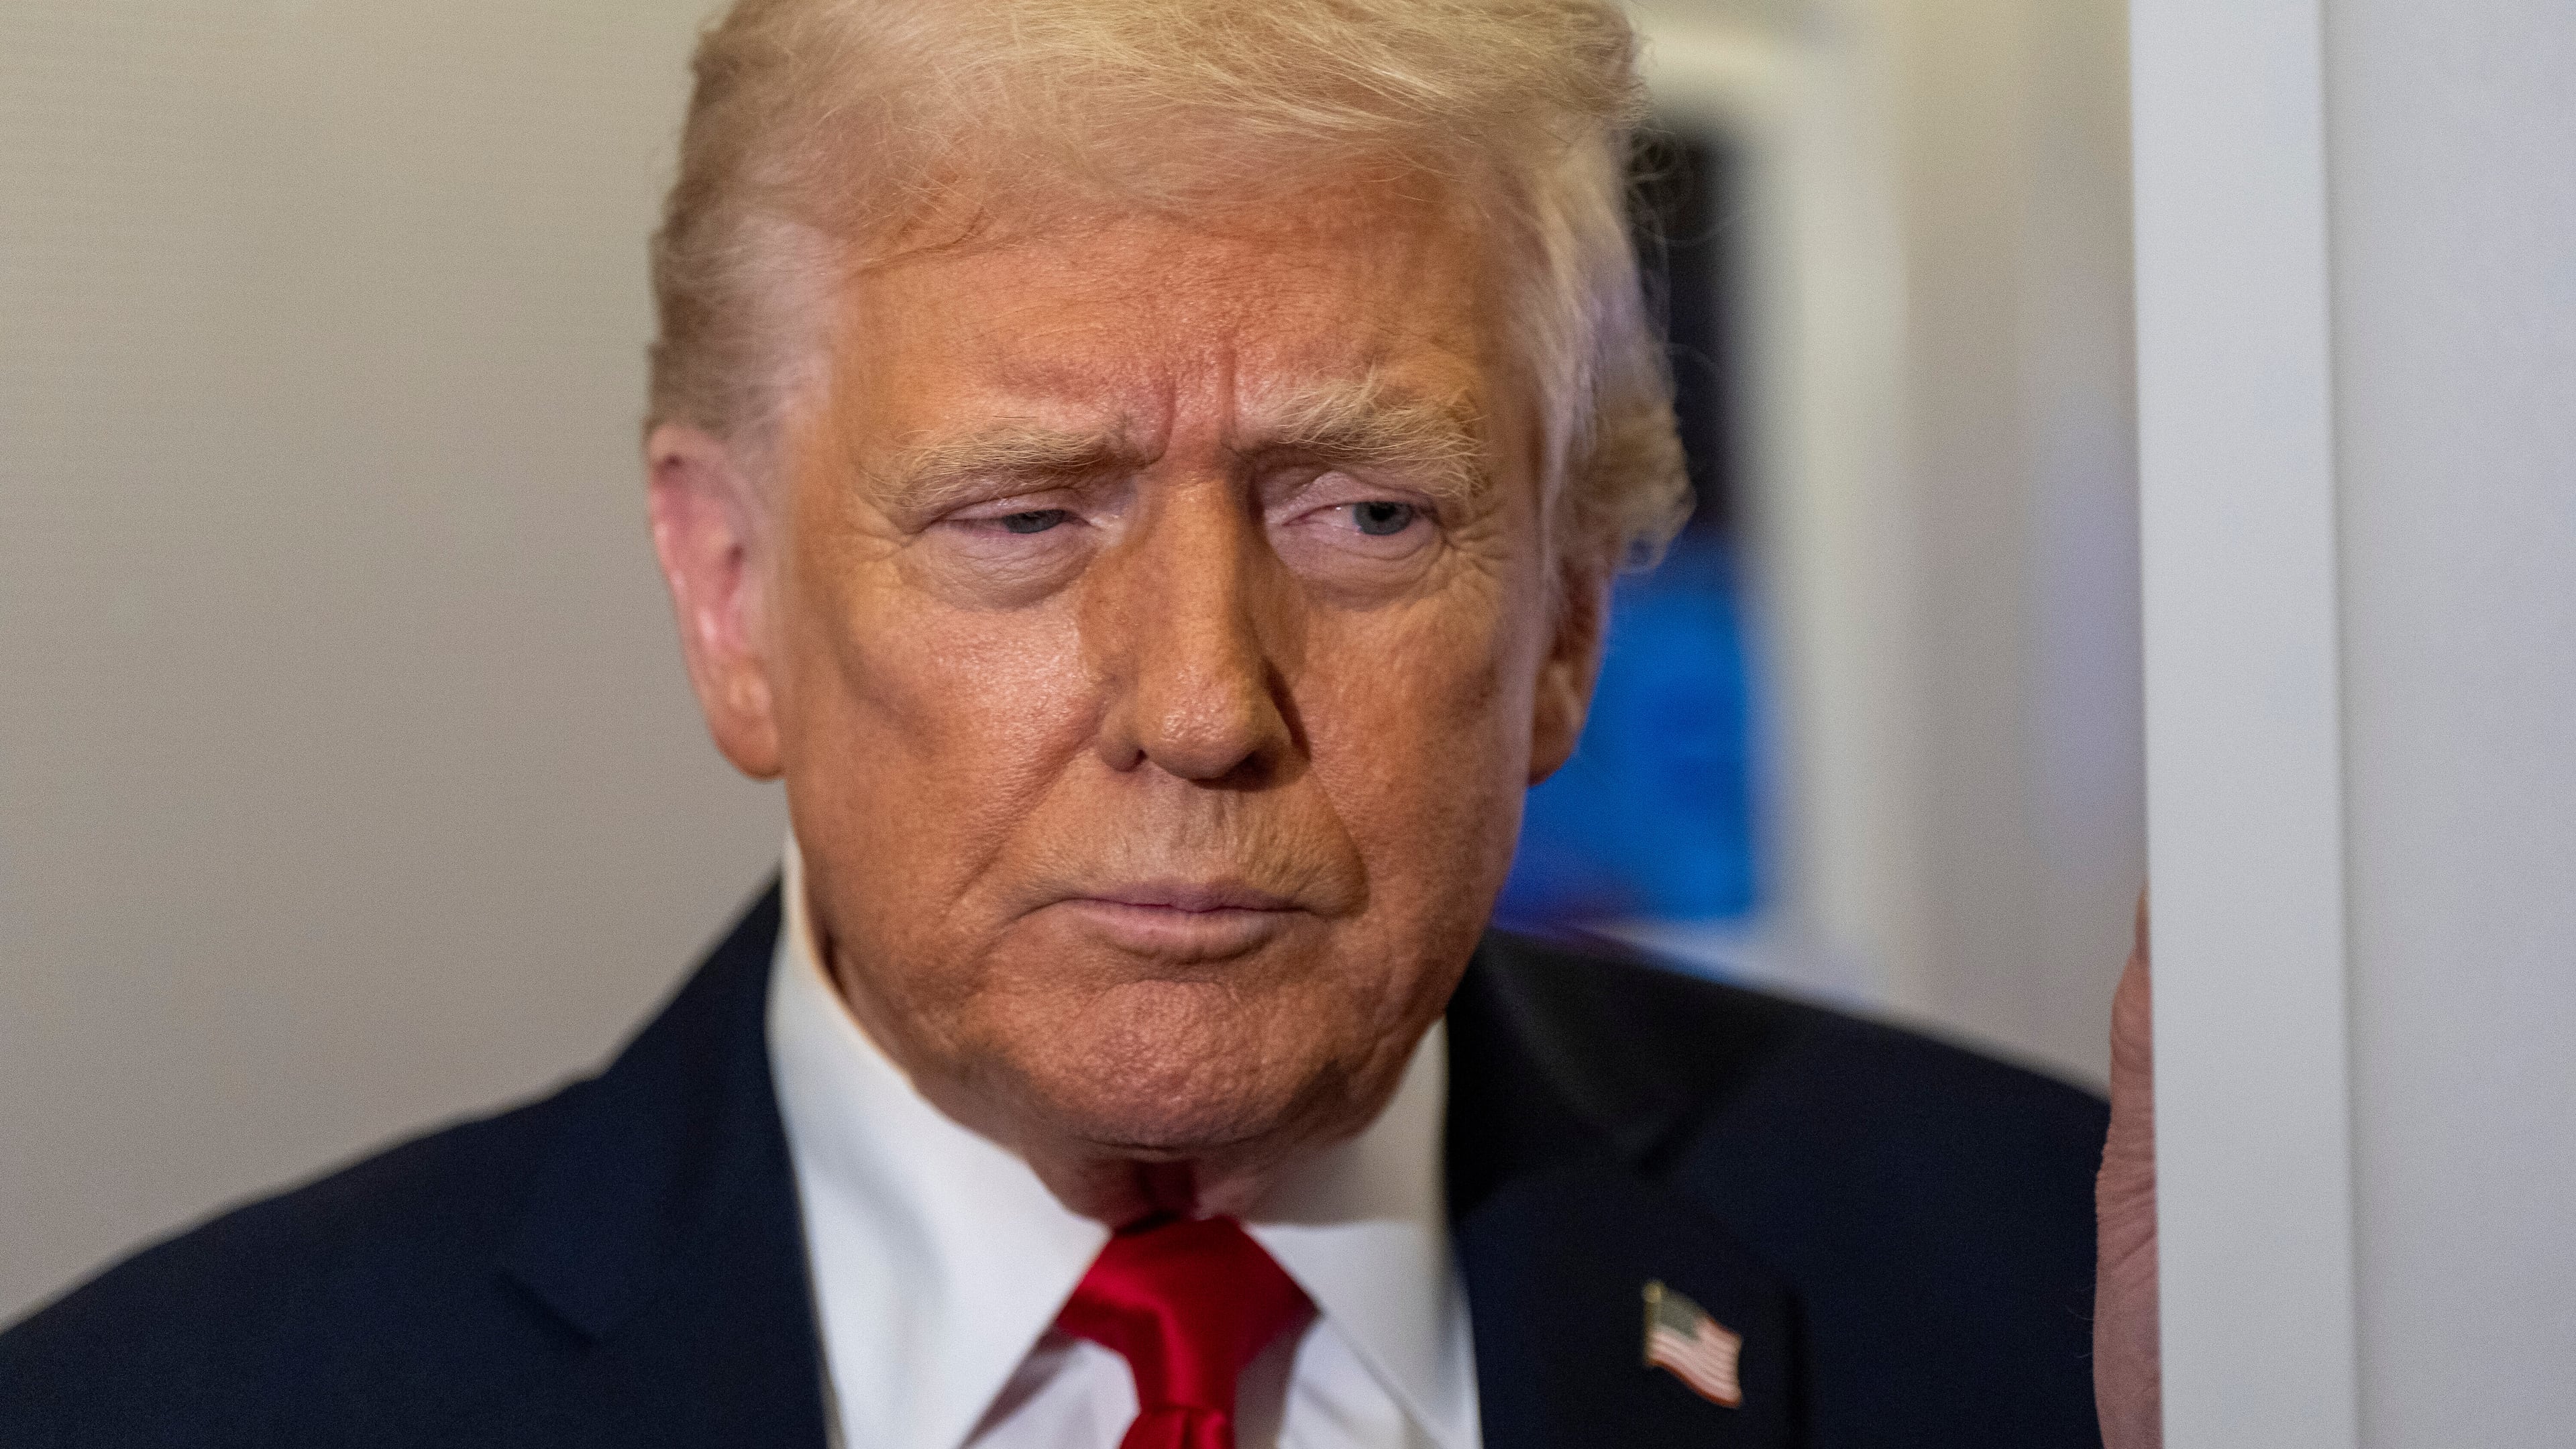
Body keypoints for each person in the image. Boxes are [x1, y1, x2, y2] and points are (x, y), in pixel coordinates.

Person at [0, 1, 2155, 1444]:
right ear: (730, 587)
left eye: (1370, 510)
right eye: (1025, 516)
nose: (1206, 706)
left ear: (1575, 612)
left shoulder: (2070, 1313)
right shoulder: (162, 1411)